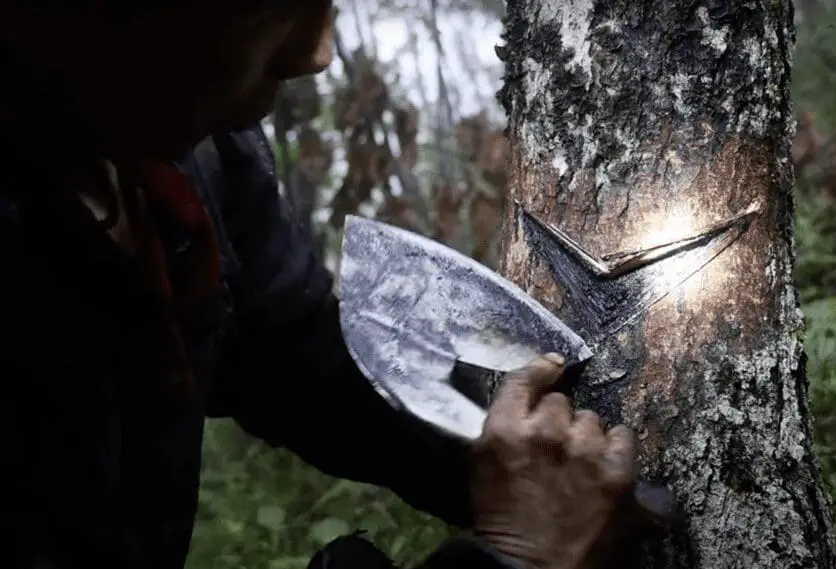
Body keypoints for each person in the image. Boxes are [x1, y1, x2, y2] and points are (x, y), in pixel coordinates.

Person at [0, 1, 646, 568]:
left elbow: (291, 356)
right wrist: (521, 556)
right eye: (275, 7)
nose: (317, 52)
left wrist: (507, 455)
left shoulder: (189, 151)